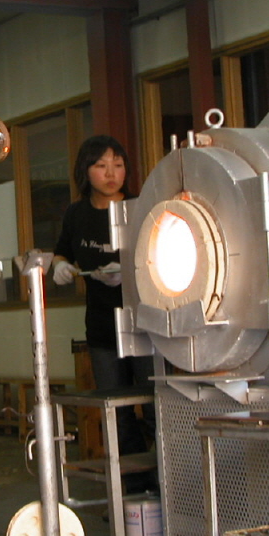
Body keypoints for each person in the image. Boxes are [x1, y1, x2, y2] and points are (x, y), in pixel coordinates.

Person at [52, 135, 154, 461]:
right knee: (117, 412)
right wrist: (63, 267)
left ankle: (164, 488)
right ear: (85, 171)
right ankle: (130, 491)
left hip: (146, 325)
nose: (111, 173)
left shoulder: (142, 208)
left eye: (118, 165)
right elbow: (60, 253)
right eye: (101, 165)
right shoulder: (76, 214)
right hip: (102, 327)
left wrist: (132, 269)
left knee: (155, 407)